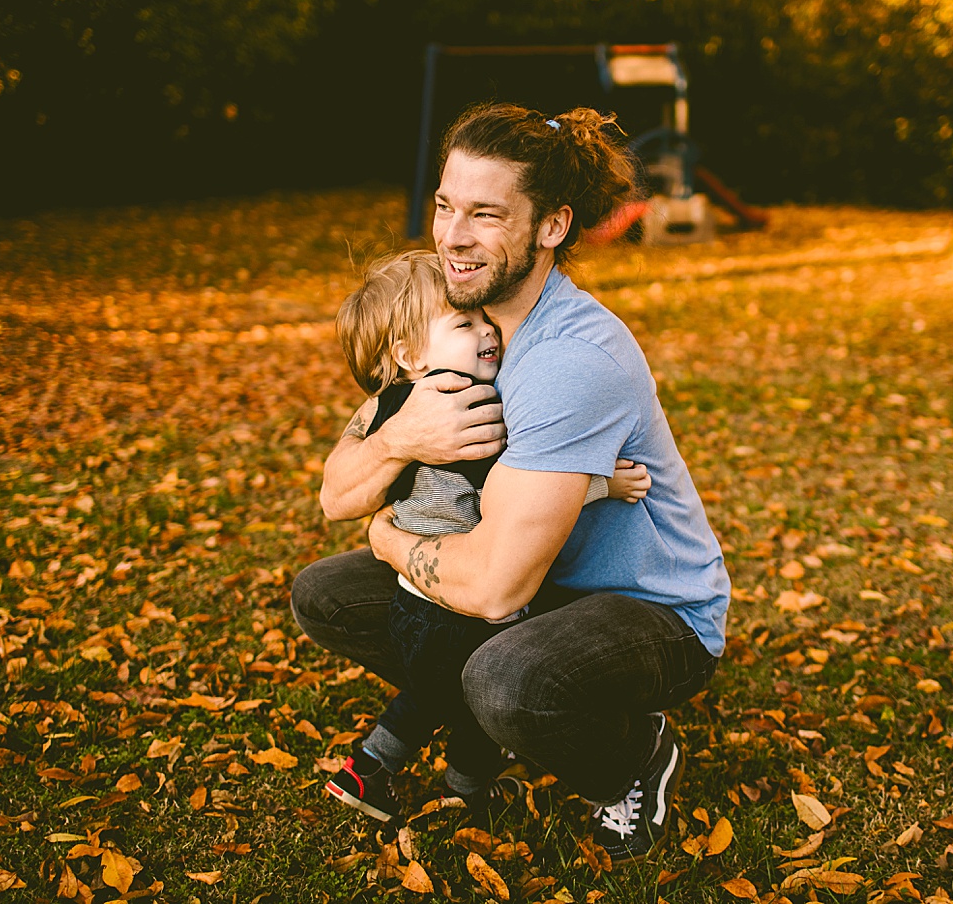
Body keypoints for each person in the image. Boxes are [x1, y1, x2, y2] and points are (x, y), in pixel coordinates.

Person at [293, 103, 730, 862]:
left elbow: (493, 587)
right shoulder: (452, 317)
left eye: (486, 214)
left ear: (552, 227)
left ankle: (633, 754)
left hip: (647, 607)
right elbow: (335, 494)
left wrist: (389, 538)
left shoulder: (570, 360)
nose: (452, 236)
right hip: (536, 582)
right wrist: (401, 435)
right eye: (445, 205)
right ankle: (500, 707)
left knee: (507, 682)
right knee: (325, 595)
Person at [321, 249, 650, 822]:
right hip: (462, 602)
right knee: (469, 698)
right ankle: (464, 787)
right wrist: (604, 485)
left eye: (483, 320)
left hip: (412, 600)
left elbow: (365, 456)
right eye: (463, 324)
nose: (486, 331)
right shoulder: (471, 405)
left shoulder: (391, 404)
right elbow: (515, 484)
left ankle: (371, 768)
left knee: (433, 691)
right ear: (408, 354)